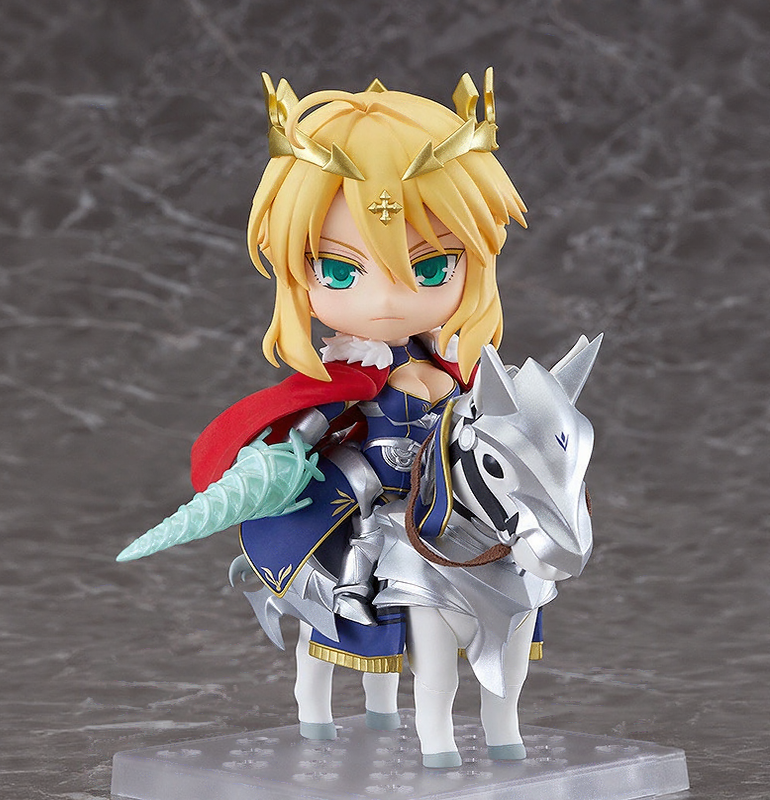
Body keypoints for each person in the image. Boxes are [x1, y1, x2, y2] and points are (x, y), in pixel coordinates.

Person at [188, 69, 528, 676]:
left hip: (441, 483)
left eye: (431, 268)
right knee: (365, 507)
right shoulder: (353, 370)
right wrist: (285, 455)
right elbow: (309, 424)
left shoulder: (453, 360)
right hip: (373, 471)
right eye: (340, 272)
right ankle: (348, 586)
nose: (386, 300)